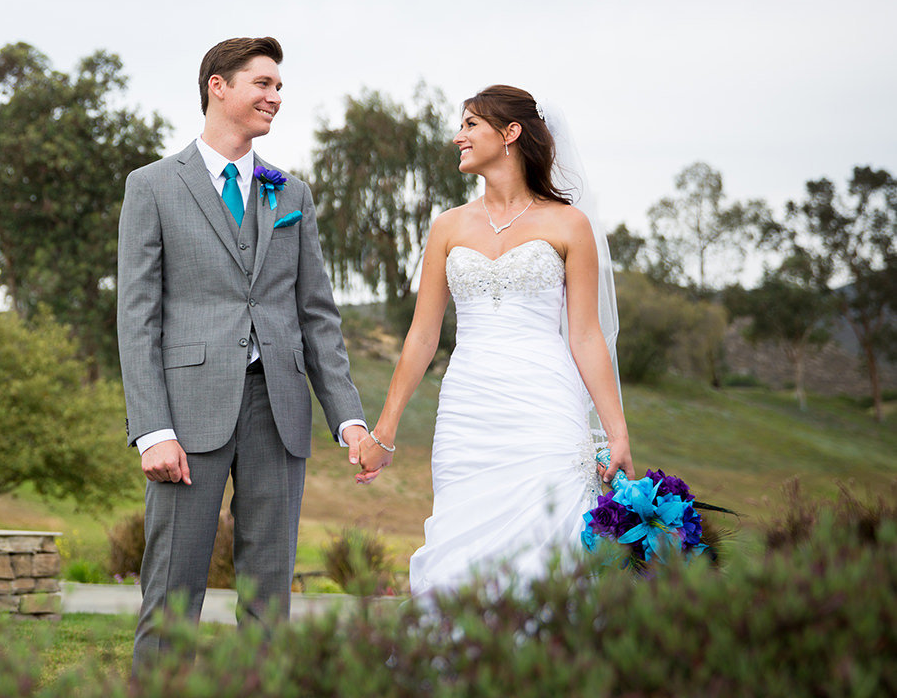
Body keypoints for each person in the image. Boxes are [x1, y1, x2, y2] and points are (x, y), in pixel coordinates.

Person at [118, 36, 368, 671]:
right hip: (188, 413)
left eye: (279, 87)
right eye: (263, 84)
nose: (275, 97)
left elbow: (317, 315)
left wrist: (349, 418)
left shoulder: (292, 194)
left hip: (278, 411)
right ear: (218, 86)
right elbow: (137, 317)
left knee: (269, 594)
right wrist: (152, 430)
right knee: (173, 589)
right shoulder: (152, 187)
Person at [356, 84, 634, 595]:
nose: (457, 136)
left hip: (545, 404)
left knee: (547, 545)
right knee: (462, 544)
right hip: (468, 408)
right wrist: (385, 431)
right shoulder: (448, 227)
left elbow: (588, 335)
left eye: (470, 125)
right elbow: (422, 336)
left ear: (510, 134)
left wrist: (616, 434)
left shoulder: (569, 224)